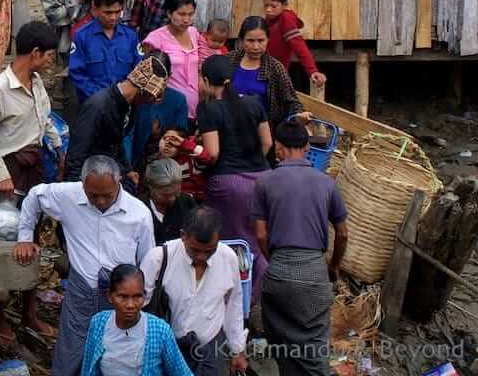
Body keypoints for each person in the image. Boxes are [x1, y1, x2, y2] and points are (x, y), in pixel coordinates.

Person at [14, 155, 155, 376]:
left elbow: (148, 261)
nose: (100, 201)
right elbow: (34, 196)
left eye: (107, 195)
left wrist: (140, 301)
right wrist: (24, 237)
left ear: (119, 182)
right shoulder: (68, 195)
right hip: (81, 288)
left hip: (120, 294)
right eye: (93, 195)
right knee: (72, 348)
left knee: (115, 351)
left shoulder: (139, 213)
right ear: (83, 185)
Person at [0, 21, 63, 342]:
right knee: (3, 245)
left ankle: (28, 312)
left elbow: (45, 118)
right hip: (7, 173)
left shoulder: (37, 84)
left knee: (32, 241)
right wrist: (0, 175)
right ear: (35, 53)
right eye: (49, 54)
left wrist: (58, 144)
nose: (51, 60)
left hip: (33, 169)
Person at [252, 121, 349, 376]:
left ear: (279, 148)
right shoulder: (326, 183)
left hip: (278, 273)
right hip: (314, 272)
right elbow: (343, 232)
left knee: (282, 345)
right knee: (314, 350)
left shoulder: (264, 182)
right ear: (307, 147)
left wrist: (275, 260)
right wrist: (334, 266)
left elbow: (261, 234)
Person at [197, 54, 272, 303]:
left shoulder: (208, 108)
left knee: (234, 245)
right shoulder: (253, 103)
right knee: (259, 240)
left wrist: (196, 155)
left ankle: (239, 303)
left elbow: (213, 152)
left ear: (206, 81)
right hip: (263, 178)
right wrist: (253, 165)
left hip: (229, 186)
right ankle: (264, 298)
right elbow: (267, 143)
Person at [140, 206, 247, 376]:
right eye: (195, 250)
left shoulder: (228, 258)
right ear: (183, 236)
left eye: (209, 251)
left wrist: (238, 350)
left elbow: (234, 305)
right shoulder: (158, 258)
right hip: (166, 349)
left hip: (209, 349)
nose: (202, 257)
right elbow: (138, 305)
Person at [66, 54, 172, 184]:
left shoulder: (129, 106)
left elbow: (116, 141)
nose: (150, 103)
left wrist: (126, 170)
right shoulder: (98, 106)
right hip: (90, 178)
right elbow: (77, 153)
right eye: (151, 98)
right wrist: (75, 189)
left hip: (110, 173)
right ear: (144, 92)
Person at [80, 264, 193, 376]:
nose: (130, 305)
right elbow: (88, 368)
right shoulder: (99, 323)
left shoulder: (160, 331)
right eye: (123, 297)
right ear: (110, 297)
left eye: (137, 296)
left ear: (144, 296)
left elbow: (181, 371)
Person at [257, 0, 327, 88]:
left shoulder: (286, 19)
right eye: (266, 6)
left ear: (285, 5)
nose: (268, 10)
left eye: (273, 7)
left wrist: (312, 71)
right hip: (262, 63)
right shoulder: (272, 13)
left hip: (276, 70)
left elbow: (299, 46)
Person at [229, 16, 310, 133]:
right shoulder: (229, 61)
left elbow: (291, 100)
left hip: (262, 133)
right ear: (241, 40)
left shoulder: (275, 68)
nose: (256, 47)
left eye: (261, 41)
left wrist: (299, 114)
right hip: (229, 130)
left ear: (268, 40)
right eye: (250, 41)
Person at [69, 0, 140, 103]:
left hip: (124, 104)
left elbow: (138, 69)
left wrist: (125, 93)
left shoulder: (130, 36)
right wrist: (100, 97)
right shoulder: (82, 36)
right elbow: (76, 73)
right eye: (108, 12)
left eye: (118, 12)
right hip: (93, 104)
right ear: (95, 10)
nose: (113, 17)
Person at [143, 0, 202, 123]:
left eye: (190, 14)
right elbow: (144, 70)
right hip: (169, 110)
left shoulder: (194, 33)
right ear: (169, 13)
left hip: (195, 110)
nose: (186, 19)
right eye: (181, 14)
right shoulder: (155, 38)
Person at [140, 158, 196, 244]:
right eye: (165, 195)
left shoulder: (187, 203)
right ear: (150, 186)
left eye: (176, 193)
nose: (172, 198)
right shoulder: (139, 208)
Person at [157, 127, 209, 203]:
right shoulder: (154, 161)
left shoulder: (191, 160)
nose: (167, 144)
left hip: (191, 204)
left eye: (173, 140)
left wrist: (185, 144)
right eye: (164, 138)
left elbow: (206, 157)